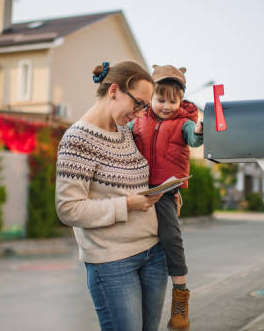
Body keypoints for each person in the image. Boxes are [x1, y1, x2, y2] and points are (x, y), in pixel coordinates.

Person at [55, 61, 169, 331]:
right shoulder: (77, 139)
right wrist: (127, 205)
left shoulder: (125, 133)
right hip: (112, 262)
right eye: (139, 104)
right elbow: (68, 210)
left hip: (153, 252)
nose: (141, 114)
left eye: (145, 107)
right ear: (115, 90)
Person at [128, 65, 204, 331]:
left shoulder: (183, 123)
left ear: (181, 100)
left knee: (171, 237)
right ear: (151, 97)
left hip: (165, 190)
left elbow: (194, 139)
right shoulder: (137, 120)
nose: (167, 106)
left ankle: (180, 295)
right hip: (134, 187)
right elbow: (118, 133)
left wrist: (200, 130)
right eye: (161, 100)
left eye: (174, 100)